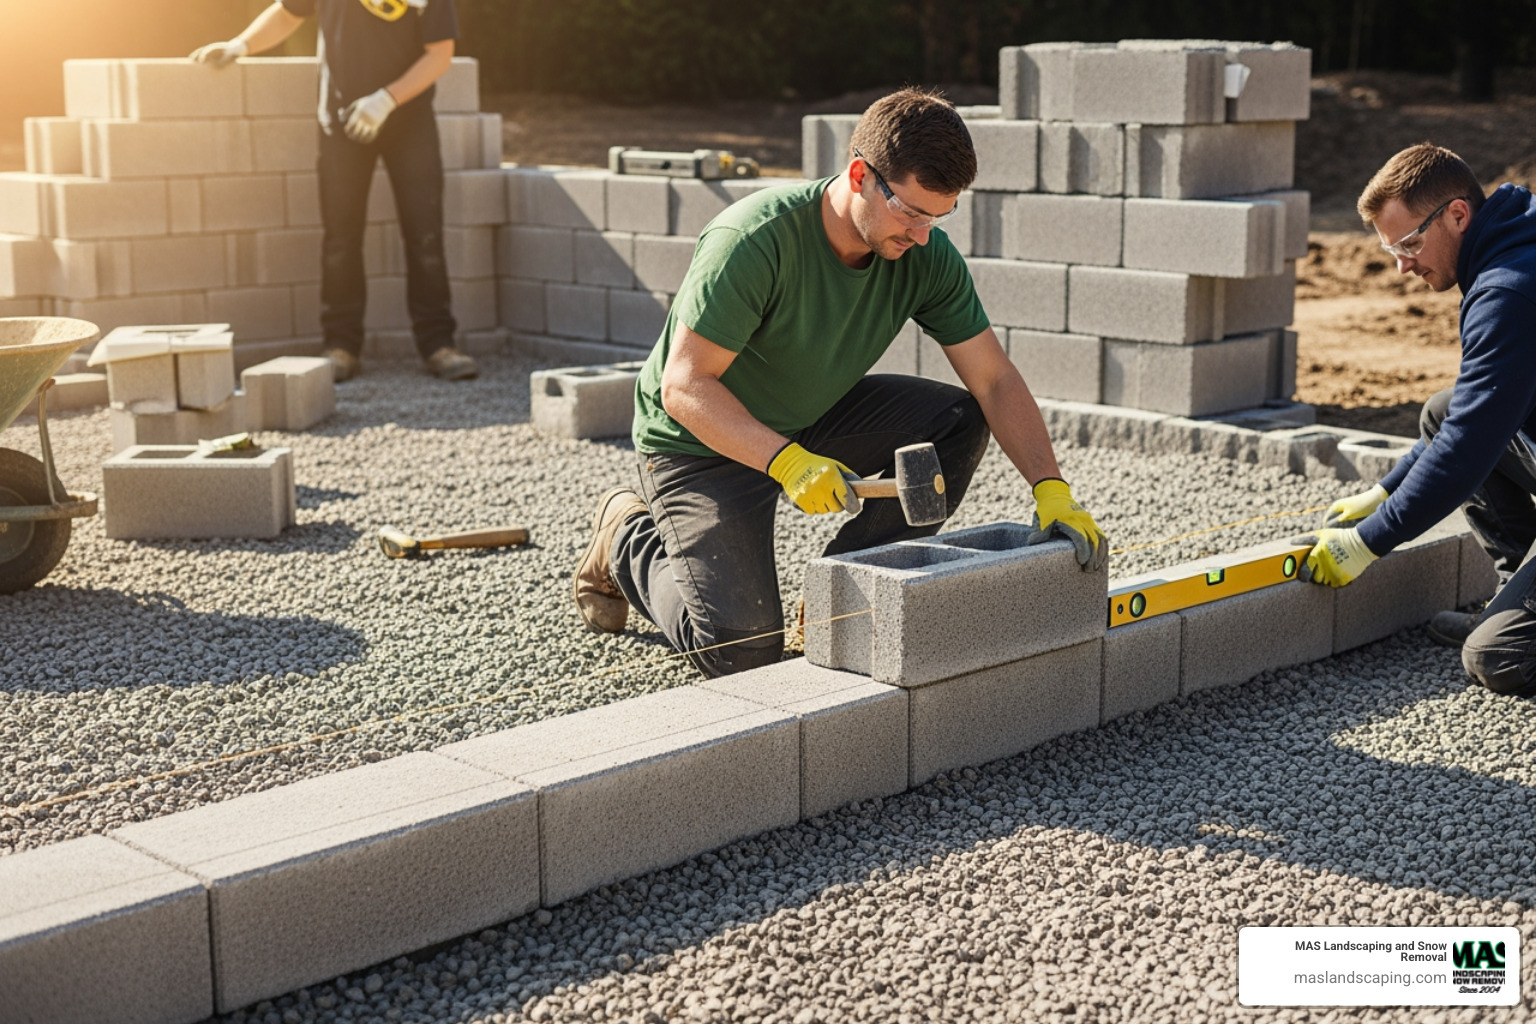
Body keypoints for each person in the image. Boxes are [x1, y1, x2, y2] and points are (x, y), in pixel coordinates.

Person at [572, 88, 1108, 678]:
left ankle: (839, 593)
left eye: (939, 215)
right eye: (910, 211)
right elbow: (685, 387)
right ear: (860, 175)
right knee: (741, 652)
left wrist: (1050, 488)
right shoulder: (754, 242)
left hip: (809, 418)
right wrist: (789, 463)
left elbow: (995, 380)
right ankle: (625, 533)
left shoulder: (923, 255)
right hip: (701, 442)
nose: (923, 235)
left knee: (955, 422)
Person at [1298, 142, 1536, 695]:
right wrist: (1385, 491)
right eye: (1391, 249)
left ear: (1457, 214)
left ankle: (1512, 630)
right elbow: (1466, 419)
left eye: (1409, 242)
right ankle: (1513, 597)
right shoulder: (1513, 247)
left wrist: (1368, 542)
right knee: (1441, 410)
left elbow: (1467, 450)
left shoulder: (1509, 293)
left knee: (1498, 658)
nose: (1402, 265)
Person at [191, 0, 479, 383]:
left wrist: (387, 99)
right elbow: (289, 11)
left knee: (424, 234)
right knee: (341, 238)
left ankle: (439, 345)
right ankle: (341, 347)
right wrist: (240, 46)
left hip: (409, 125)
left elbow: (440, 54)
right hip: (341, 123)